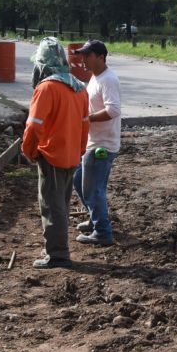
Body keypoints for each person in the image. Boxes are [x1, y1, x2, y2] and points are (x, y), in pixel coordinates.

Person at [22, 38, 89, 269]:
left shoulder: (46, 88)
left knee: (52, 205)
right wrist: (79, 150)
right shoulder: (79, 88)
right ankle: (57, 247)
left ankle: (58, 254)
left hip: (51, 155)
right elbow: (84, 125)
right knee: (62, 203)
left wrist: (29, 151)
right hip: (71, 155)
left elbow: (34, 125)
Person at [72, 39, 122, 246]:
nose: (82, 60)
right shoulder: (95, 77)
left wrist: (86, 119)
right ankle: (96, 221)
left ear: (100, 57)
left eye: (87, 56)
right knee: (79, 181)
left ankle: (102, 232)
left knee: (93, 189)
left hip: (102, 145)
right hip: (94, 142)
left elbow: (113, 110)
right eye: (81, 56)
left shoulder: (108, 79)